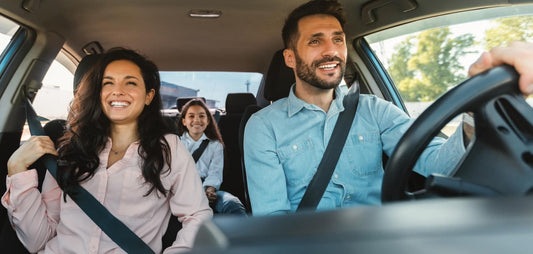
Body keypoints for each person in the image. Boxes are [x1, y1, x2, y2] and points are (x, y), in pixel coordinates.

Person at [243, 0, 533, 216]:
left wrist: (475, 109)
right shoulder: (264, 126)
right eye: (315, 41)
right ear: (290, 58)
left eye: (338, 39)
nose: (331, 50)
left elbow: (441, 164)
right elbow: (273, 220)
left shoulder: (375, 111)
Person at [2, 48, 212, 253]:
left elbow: (198, 216)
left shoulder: (170, 149)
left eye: (130, 82)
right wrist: (17, 170)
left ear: (149, 96)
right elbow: (37, 241)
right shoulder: (70, 148)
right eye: (108, 83)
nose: (117, 90)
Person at [177, 99, 247, 216]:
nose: (197, 120)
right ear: (184, 121)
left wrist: (209, 191)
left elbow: (215, 172)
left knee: (233, 204)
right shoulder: (175, 144)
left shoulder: (215, 145)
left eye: (201, 116)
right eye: (191, 116)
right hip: (182, 191)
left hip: (207, 190)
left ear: (208, 121)